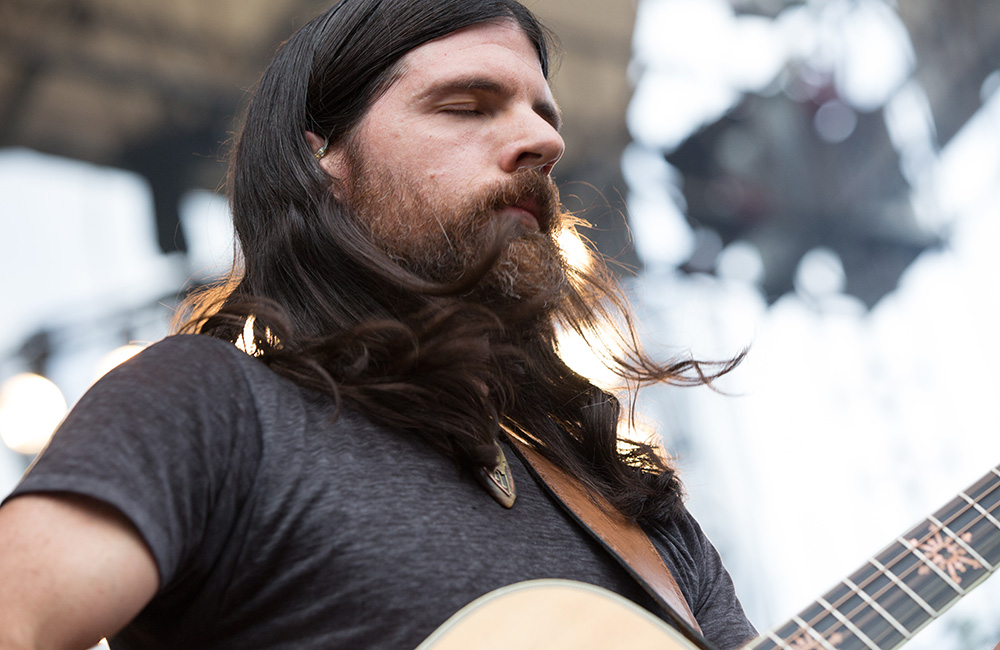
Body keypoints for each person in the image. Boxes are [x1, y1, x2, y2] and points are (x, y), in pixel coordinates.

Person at [0, 1, 757, 648]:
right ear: (323, 158)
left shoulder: (634, 508)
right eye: (466, 106)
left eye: (541, 115)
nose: (545, 141)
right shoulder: (209, 406)